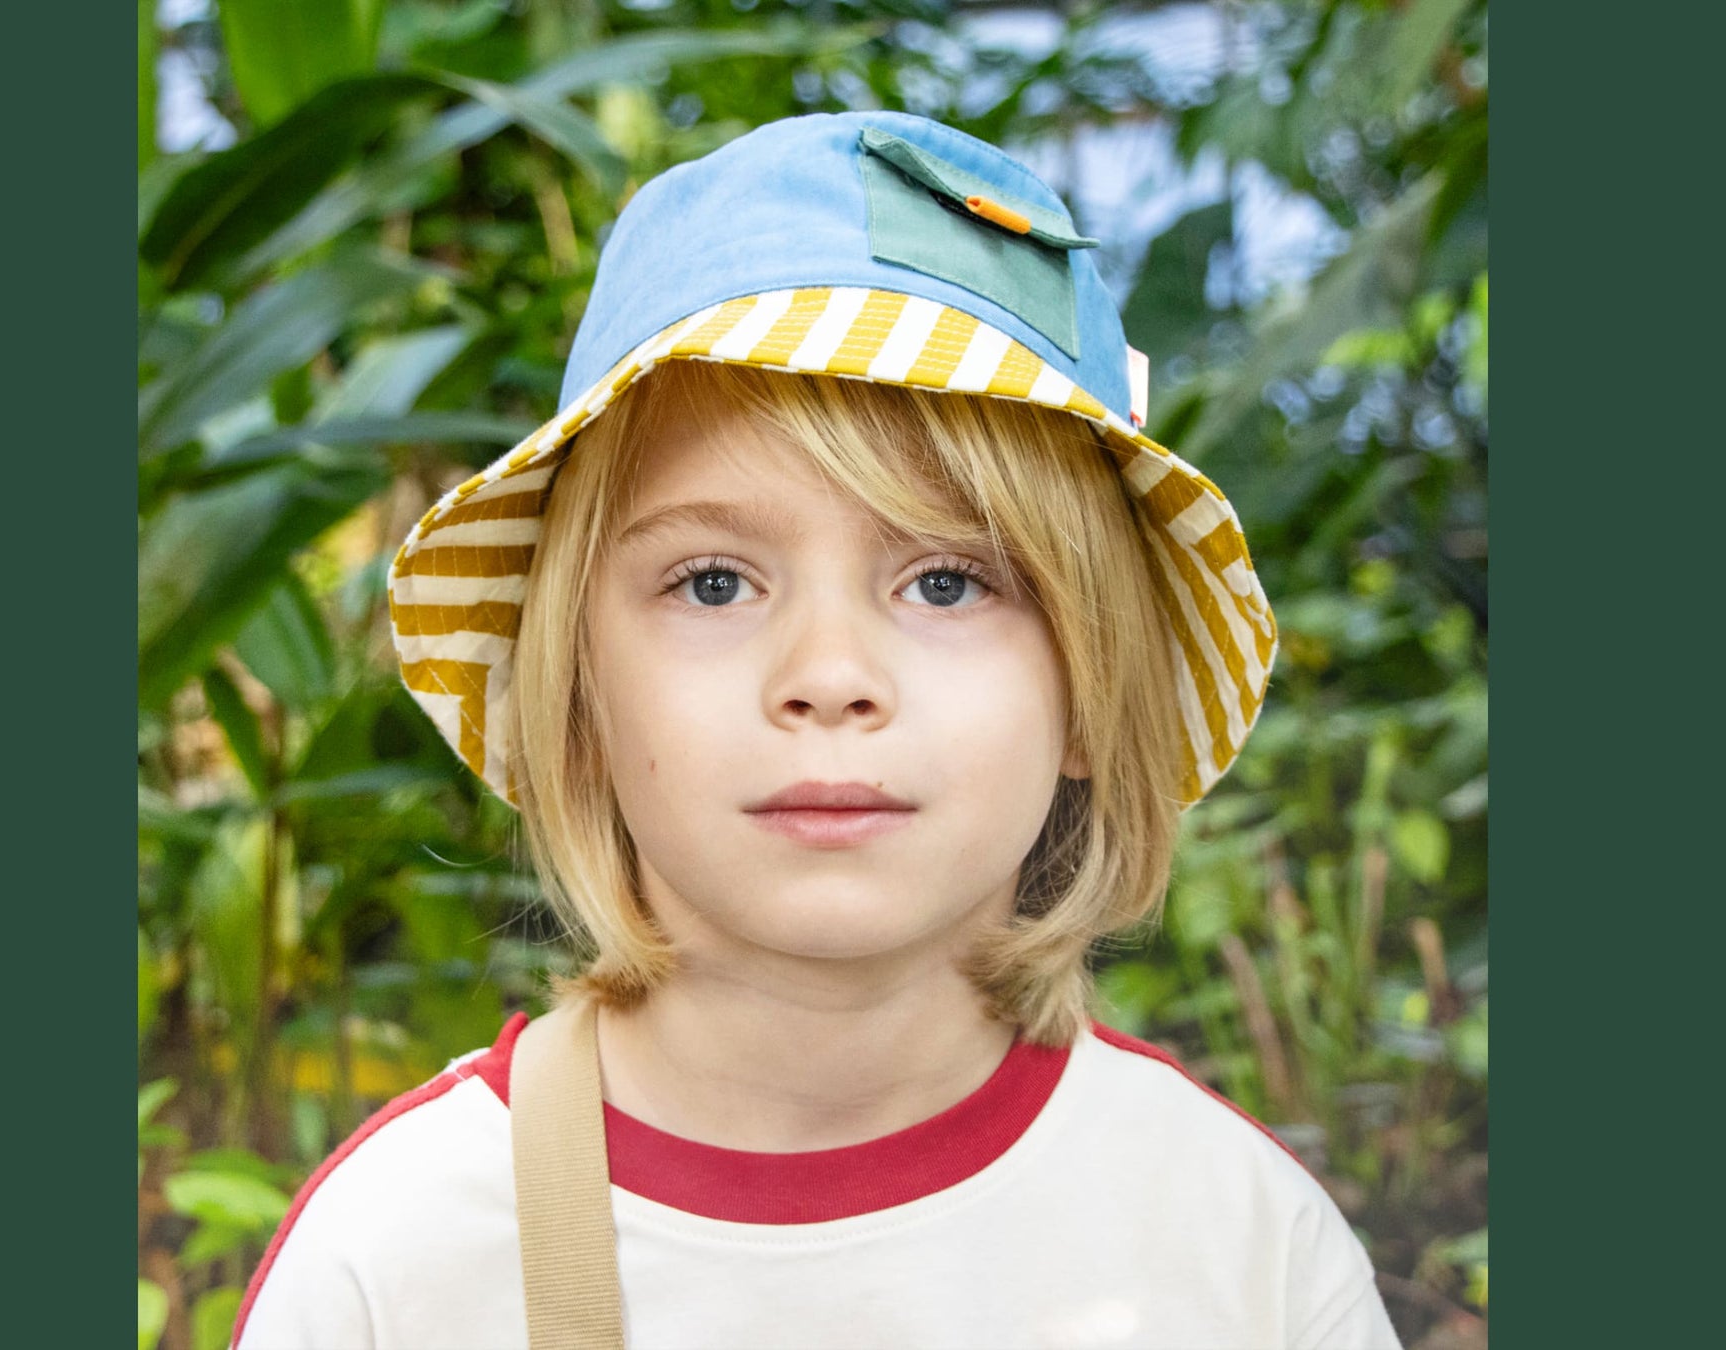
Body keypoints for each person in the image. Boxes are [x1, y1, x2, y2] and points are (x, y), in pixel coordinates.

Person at [232, 109, 1401, 1350]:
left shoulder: (1245, 1254)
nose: (831, 677)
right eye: (715, 583)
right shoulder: (399, 1260)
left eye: (948, 582)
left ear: (1089, 690)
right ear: (578, 696)